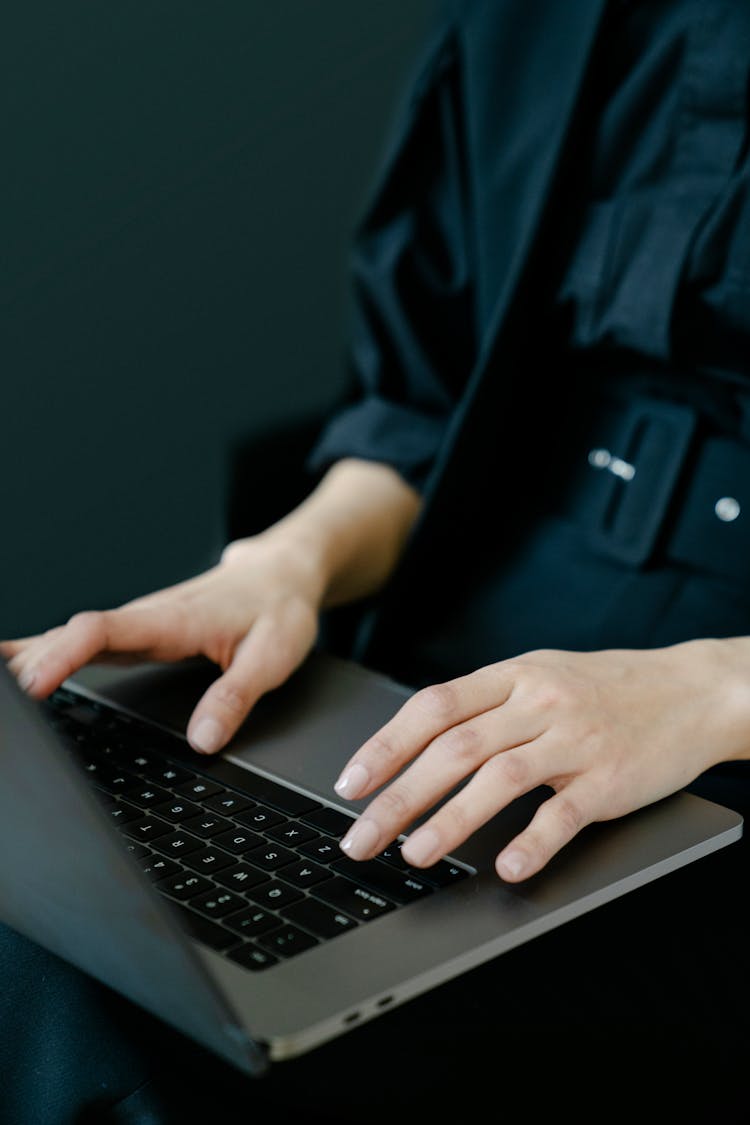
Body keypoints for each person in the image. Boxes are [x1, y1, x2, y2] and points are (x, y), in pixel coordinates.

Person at [3, 1, 750, 1121]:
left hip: (712, 745)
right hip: (442, 665)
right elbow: (420, 410)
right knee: (74, 931)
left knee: (130, 1031)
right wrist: (282, 563)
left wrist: (718, 689)